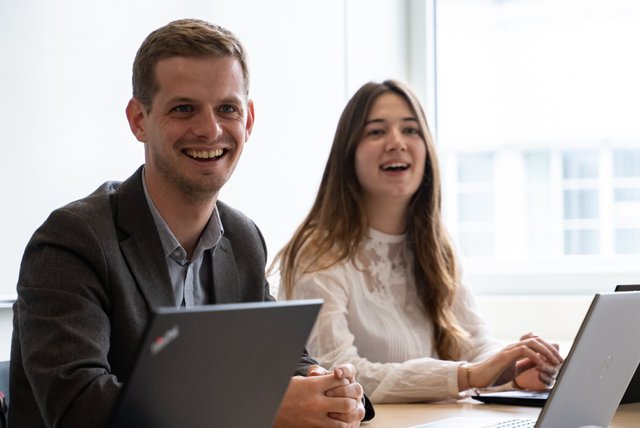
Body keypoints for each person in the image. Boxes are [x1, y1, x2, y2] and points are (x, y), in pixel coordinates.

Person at [9, 19, 373, 427]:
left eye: (227, 109)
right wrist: (259, 408)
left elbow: (283, 359)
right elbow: (81, 408)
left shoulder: (242, 238)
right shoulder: (72, 241)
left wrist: (326, 388)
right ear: (138, 120)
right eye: (184, 108)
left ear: (248, 120)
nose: (209, 129)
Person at [273, 79, 564, 404]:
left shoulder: (438, 249)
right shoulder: (317, 255)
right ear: (348, 153)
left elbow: (477, 345)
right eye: (376, 131)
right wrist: (466, 376)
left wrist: (515, 364)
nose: (397, 142)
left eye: (411, 130)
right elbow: (339, 373)